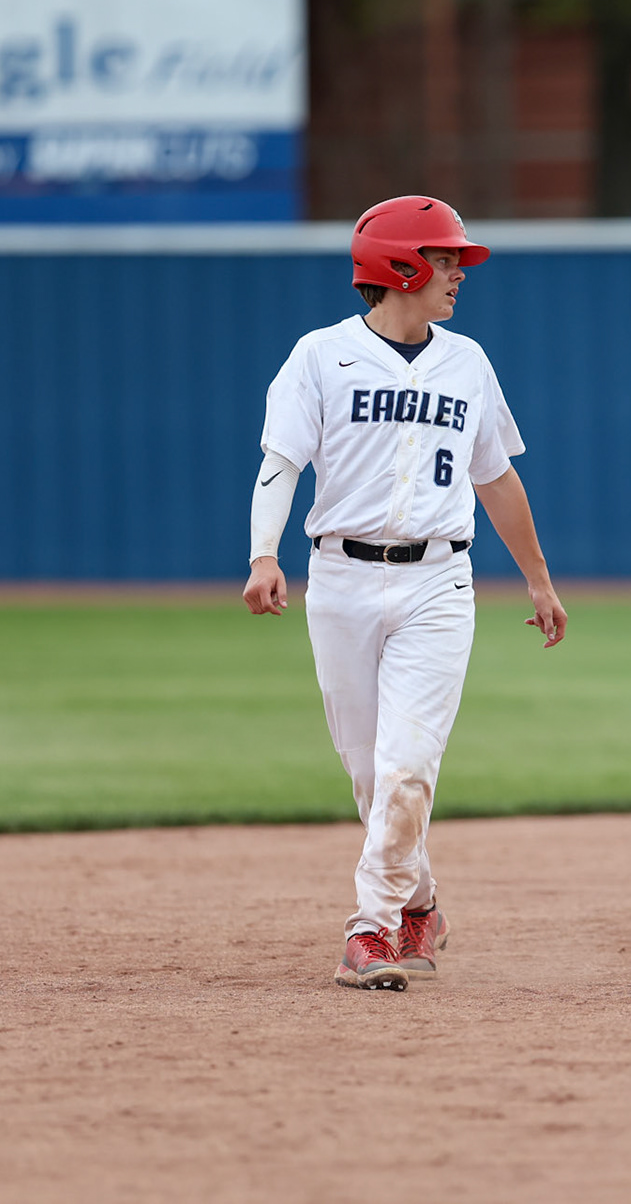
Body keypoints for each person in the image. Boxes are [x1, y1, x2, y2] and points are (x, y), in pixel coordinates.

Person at [243, 195, 568, 992]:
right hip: (341, 580)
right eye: (444, 257)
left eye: (455, 258)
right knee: (369, 775)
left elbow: (494, 476)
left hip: (438, 583)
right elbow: (281, 461)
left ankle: (373, 930)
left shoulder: (469, 362)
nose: (458, 272)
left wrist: (538, 577)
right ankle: (420, 904)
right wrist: (263, 553)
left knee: (406, 767)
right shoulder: (320, 357)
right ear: (398, 266)